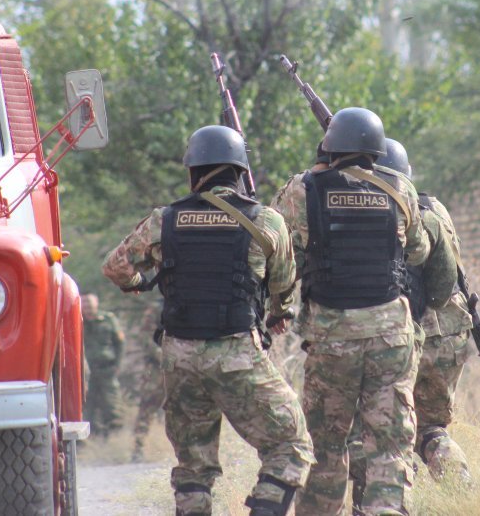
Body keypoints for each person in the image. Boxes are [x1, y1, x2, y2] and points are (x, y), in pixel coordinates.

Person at [102, 125, 314, 516]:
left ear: (193, 172)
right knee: (292, 445)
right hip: (237, 353)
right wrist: (278, 313)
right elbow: (284, 283)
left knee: (193, 468)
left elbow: (115, 266)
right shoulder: (266, 221)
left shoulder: (164, 220)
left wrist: (137, 284)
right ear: (240, 172)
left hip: (179, 357)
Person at [272, 108, 428, 516]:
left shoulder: (303, 188)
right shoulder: (400, 188)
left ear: (329, 146)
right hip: (390, 335)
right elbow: (419, 251)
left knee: (325, 443)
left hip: (331, 336)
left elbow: (277, 242)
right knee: (390, 443)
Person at [378, 139, 472, 481]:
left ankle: (396, 490)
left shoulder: (378, 215)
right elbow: (449, 274)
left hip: (403, 332)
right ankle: (459, 486)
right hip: (450, 332)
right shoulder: (434, 208)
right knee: (432, 429)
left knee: (388, 425)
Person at [81, 293, 126, 437]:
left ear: (96, 303)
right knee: (86, 407)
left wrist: (117, 364)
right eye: (84, 303)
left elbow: (120, 343)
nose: (87, 306)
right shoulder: (77, 320)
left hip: (107, 369)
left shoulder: (108, 319)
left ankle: (114, 438)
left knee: (112, 405)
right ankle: (88, 441)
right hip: (85, 372)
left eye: (90, 303)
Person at [129, 285, 166, 462]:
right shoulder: (158, 308)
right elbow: (145, 336)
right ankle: (139, 448)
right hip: (157, 367)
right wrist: (160, 354)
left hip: (183, 365)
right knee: (148, 406)